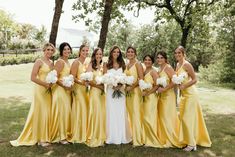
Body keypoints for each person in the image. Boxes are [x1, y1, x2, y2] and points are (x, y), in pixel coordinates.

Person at [10, 43, 55, 147]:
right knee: (41, 112)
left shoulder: (52, 63)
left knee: (47, 112)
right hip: (40, 90)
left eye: (51, 50)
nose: (50, 52)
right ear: (44, 50)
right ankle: (40, 139)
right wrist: (45, 84)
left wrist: (51, 84)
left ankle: (45, 136)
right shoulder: (39, 61)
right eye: (48, 49)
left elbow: (52, 75)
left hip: (49, 91)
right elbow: (33, 77)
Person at [174, 46, 211, 151]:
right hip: (184, 95)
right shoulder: (177, 64)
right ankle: (189, 140)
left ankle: (191, 144)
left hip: (191, 94)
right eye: (176, 53)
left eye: (179, 53)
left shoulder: (187, 64)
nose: (177, 55)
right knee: (183, 117)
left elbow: (195, 79)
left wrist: (184, 86)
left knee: (187, 118)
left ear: (183, 53)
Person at [103, 45, 132, 144]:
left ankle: (122, 136)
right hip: (111, 91)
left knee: (120, 112)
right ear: (111, 52)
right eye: (114, 52)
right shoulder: (106, 64)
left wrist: (120, 84)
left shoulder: (123, 64)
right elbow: (105, 78)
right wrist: (112, 84)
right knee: (111, 112)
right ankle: (111, 136)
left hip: (121, 91)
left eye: (118, 52)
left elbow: (125, 77)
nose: (116, 53)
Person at [156, 51, 182, 148]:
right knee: (162, 117)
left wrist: (164, 89)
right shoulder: (159, 68)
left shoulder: (168, 67)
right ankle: (163, 137)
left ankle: (171, 139)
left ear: (165, 59)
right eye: (158, 57)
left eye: (161, 57)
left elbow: (174, 81)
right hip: (161, 96)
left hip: (168, 96)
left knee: (168, 117)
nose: (159, 59)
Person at [50, 42, 72, 144]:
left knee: (66, 112)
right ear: (61, 51)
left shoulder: (67, 62)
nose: (67, 51)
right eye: (64, 49)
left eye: (68, 49)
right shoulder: (60, 62)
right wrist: (64, 85)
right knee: (61, 112)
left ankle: (65, 134)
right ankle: (61, 137)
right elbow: (54, 77)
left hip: (66, 90)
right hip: (60, 90)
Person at [86, 48, 106, 147]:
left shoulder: (103, 66)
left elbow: (106, 78)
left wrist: (104, 85)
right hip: (94, 92)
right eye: (97, 54)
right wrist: (99, 86)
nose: (99, 56)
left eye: (100, 54)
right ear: (94, 55)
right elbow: (88, 81)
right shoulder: (90, 65)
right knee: (96, 113)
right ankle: (95, 136)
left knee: (102, 113)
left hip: (102, 94)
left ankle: (102, 135)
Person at [69, 44, 89, 143]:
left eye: (87, 51)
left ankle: (84, 131)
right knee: (79, 109)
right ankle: (77, 133)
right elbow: (72, 77)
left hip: (86, 90)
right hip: (78, 89)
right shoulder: (76, 62)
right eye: (83, 51)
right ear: (79, 51)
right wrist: (82, 82)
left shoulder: (87, 62)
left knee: (85, 109)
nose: (85, 52)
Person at [141, 55, 162, 147]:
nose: (147, 61)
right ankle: (145, 138)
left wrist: (148, 93)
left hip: (151, 97)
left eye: (149, 60)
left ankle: (151, 140)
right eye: (145, 60)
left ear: (152, 62)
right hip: (145, 97)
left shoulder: (153, 72)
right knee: (145, 117)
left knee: (149, 118)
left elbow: (158, 85)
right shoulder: (144, 71)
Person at [125, 46, 144, 146]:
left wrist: (131, 87)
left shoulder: (138, 64)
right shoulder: (127, 64)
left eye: (132, 52)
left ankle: (138, 139)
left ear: (135, 53)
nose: (130, 53)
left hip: (136, 92)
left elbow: (141, 78)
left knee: (136, 114)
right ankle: (133, 136)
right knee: (131, 114)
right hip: (128, 93)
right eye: (128, 52)